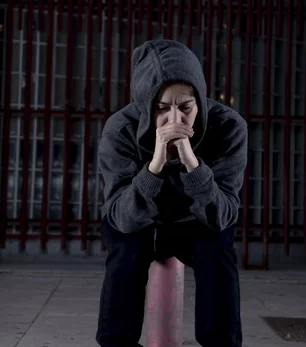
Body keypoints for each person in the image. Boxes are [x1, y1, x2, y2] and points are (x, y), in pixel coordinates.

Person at [95, 39, 248, 347]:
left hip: (196, 221)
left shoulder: (229, 126)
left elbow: (224, 215)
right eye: (162, 109)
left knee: (218, 249)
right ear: (146, 105)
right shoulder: (120, 129)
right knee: (125, 249)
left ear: (199, 103)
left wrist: (192, 163)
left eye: (186, 108)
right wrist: (155, 165)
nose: (175, 121)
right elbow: (121, 217)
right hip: (140, 221)